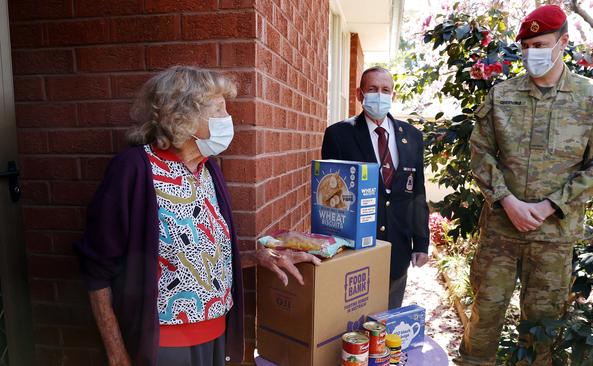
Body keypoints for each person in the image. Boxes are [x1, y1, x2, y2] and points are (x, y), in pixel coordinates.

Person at [75, 66, 320, 366]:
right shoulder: (135, 170)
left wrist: (260, 257)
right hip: (164, 344)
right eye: (219, 109)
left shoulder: (208, 170)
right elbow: (96, 268)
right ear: (183, 117)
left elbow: (202, 253)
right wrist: (116, 353)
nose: (228, 119)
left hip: (215, 336)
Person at [457, 5, 593, 365]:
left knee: (541, 330)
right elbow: (480, 153)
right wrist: (508, 202)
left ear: (563, 42)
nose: (532, 53)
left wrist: (549, 205)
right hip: (501, 231)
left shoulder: (591, 98)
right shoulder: (502, 95)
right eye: (527, 46)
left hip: (554, 237)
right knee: (484, 318)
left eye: (541, 44)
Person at [321, 66, 430, 309]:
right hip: (355, 249)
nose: (379, 95)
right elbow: (328, 198)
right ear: (360, 95)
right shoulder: (338, 135)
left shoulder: (412, 136)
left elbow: (418, 192)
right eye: (372, 89)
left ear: (393, 95)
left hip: (398, 248)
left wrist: (421, 242)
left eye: (385, 90)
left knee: (389, 316)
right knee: (352, 317)